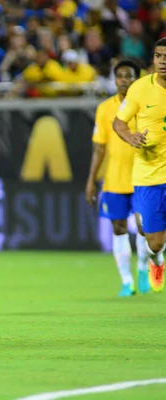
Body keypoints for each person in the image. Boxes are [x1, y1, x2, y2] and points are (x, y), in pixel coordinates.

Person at [85, 59, 150, 297]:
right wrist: (91, 180)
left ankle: (143, 269)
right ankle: (126, 281)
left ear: (137, 78)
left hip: (143, 177)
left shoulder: (146, 105)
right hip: (114, 180)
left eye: (129, 76)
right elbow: (99, 148)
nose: (124, 80)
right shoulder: (105, 109)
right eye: (120, 76)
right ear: (115, 80)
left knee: (145, 228)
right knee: (119, 228)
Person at [113, 37, 166, 294]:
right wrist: (131, 137)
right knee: (154, 242)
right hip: (148, 176)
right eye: (158, 56)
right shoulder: (139, 89)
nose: (163, 62)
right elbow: (119, 123)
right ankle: (157, 261)